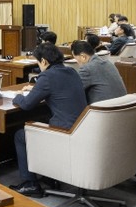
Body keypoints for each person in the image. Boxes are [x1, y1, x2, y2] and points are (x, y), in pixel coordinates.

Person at [9, 43, 86, 197]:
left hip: (64, 132)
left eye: (38, 62)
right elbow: (57, 89)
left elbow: (26, 104)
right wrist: (36, 89)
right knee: (44, 118)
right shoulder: (71, 71)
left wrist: (17, 96)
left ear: (43, 61)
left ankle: (30, 184)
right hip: (81, 128)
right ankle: (50, 176)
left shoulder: (47, 76)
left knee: (20, 135)